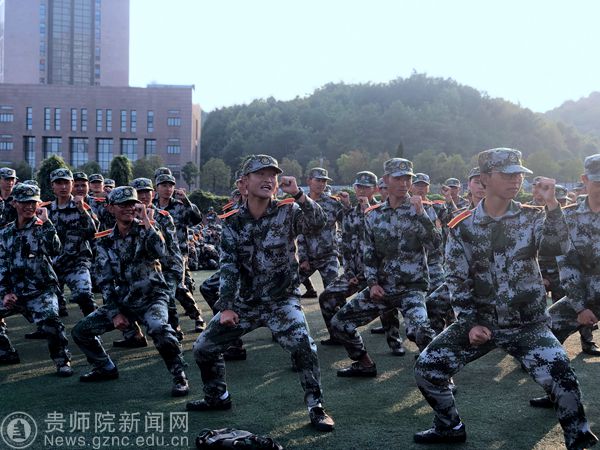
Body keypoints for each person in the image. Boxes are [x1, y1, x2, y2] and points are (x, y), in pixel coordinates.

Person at [413, 148, 597, 450]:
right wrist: (470, 323)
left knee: (562, 376)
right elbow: (458, 280)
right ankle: (449, 426)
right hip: (482, 323)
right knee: (427, 369)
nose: (516, 180)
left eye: (519, 174)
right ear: (485, 178)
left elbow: (558, 246)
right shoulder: (463, 226)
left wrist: (552, 205)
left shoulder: (532, 217)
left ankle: (579, 441)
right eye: (507, 174)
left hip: (528, 325)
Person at [186, 154, 335, 432]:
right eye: (261, 174)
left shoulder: (289, 210)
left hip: (282, 301)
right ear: (245, 182)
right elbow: (228, 265)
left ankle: (316, 407)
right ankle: (217, 397)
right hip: (246, 302)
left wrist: (299, 194)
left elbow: (318, 223)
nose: (268, 180)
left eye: (272, 175)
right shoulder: (232, 220)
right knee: (203, 347)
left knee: (304, 347)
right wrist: (226, 306)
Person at [71, 186, 189, 397]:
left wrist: (146, 221)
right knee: (81, 331)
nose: (129, 208)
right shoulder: (105, 240)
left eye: (132, 204)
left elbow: (160, 252)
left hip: (152, 296)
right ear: (110, 208)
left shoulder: (147, 230)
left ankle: (179, 375)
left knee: (159, 327)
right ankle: (104, 366)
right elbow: (105, 281)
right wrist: (115, 312)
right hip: (124, 299)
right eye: (123, 205)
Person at [330, 158, 439, 377]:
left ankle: (439, 373)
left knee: (421, 330)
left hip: (411, 288)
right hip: (383, 288)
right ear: (386, 180)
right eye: (398, 178)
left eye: (407, 178)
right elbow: (369, 254)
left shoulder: (423, 210)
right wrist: (372, 283)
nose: (404, 183)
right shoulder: (374, 214)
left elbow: (435, 245)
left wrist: (421, 215)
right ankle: (364, 363)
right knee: (340, 322)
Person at [530, 154, 600, 408]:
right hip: (584, 293)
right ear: (585, 180)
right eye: (598, 181)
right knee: (546, 332)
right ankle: (557, 391)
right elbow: (567, 262)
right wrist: (580, 307)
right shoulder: (569, 216)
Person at [318, 171, 405, 355]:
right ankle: (337, 335)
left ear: (375, 189)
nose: (362, 190)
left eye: (366, 187)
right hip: (355, 273)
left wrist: (367, 209)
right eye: (359, 186)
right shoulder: (349, 214)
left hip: (378, 274)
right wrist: (349, 272)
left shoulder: (383, 212)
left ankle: (395, 341)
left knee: (385, 304)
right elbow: (346, 246)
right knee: (326, 297)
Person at [0, 183, 73, 376]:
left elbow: (55, 249)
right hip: (15, 292)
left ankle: (62, 361)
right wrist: (5, 292)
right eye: (25, 202)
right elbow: (2, 265)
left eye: (33, 202)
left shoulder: (42, 228)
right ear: (14, 203)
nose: (30, 207)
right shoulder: (5, 233)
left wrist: (47, 223)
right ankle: (5, 352)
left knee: (51, 321)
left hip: (41, 290)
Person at [154, 173, 206, 332]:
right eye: (164, 185)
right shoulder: (151, 205)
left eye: (171, 185)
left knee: (177, 287)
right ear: (157, 188)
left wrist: (186, 200)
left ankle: (195, 317)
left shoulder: (180, 205)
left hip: (177, 254)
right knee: (160, 288)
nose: (168, 189)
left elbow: (197, 219)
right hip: (156, 254)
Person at [297, 168, 347, 327]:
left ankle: (343, 329)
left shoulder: (333, 203)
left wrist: (347, 206)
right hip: (309, 258)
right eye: (318, 180)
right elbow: (300, 234)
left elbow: (348, 224)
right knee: (287, 287)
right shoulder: (299, 204)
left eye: (324, 181)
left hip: (329, 257)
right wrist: (303, 259)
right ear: (309, 181)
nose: (321, 184)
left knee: (334, 295)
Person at [46, 168, 97, 317]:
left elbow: (92, 233)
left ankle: (93, 325)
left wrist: (82, 210)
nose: (63, 187)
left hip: (77, 262)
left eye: (66, 183)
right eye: (59, 183)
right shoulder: (46, 210)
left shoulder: (82, 207)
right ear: (52, 186)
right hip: (53, 264)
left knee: (84, 294)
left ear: (72, 184)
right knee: (48, 307)